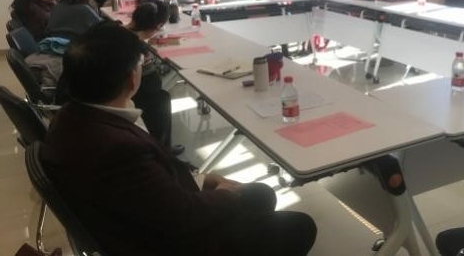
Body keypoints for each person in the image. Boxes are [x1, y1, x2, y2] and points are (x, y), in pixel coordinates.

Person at [41, 23, 316, 256]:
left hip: (141, 218)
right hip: (176, 242)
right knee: (300, 226)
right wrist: (224, 194)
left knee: (261, 195)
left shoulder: (72, 116)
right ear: (131, 79)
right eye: (141, 63)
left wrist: (203, 179)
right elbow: (183, 217)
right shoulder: (117, 150)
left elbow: (151, 193)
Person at [125, 0, 181, 152]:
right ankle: (162, 150)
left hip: (97, 87)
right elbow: (152, 84)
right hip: (121, 94)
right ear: (159, 26)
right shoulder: (137, 46)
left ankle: (162, 148)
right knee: (161, 98)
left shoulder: (116, 29)